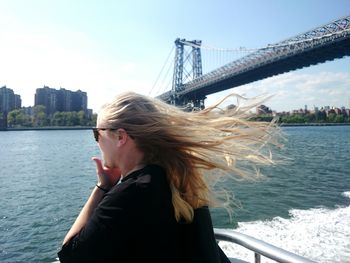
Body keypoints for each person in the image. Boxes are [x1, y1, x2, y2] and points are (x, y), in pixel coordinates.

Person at [58, 92, 279, 263]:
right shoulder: (180, 178)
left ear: (120, 137)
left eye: (97, 133)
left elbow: (69, 256)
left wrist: (103, 187)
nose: (96, 140)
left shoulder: (130, 194)